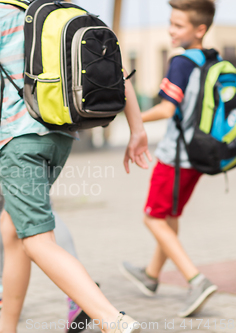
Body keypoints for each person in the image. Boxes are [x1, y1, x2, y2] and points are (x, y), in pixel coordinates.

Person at [0, 1, 151, 332]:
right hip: (61, 139)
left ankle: (110, 318)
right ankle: (4, 327)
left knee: (37, 239)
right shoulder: (64, 10)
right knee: (12, 230)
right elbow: (117, 73)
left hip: (20, 143)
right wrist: (137, 130)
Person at [0, 65, 91, 332]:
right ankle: (76, 295)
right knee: (32, 210)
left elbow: (14, 73)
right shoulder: (42, 22)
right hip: (55, 126)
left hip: (17, 129)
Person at [120, 0, 218, 318]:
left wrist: (132, 118)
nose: (170, 30)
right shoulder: (211, 58)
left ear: (199, 29)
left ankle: (196, 279)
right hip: (200, 156)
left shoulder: (181, 62)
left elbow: (166, 109)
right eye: (171, 23)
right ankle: (150, 275)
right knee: (169, 215)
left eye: (178, 25)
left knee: (153, 218)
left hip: (175, 157)